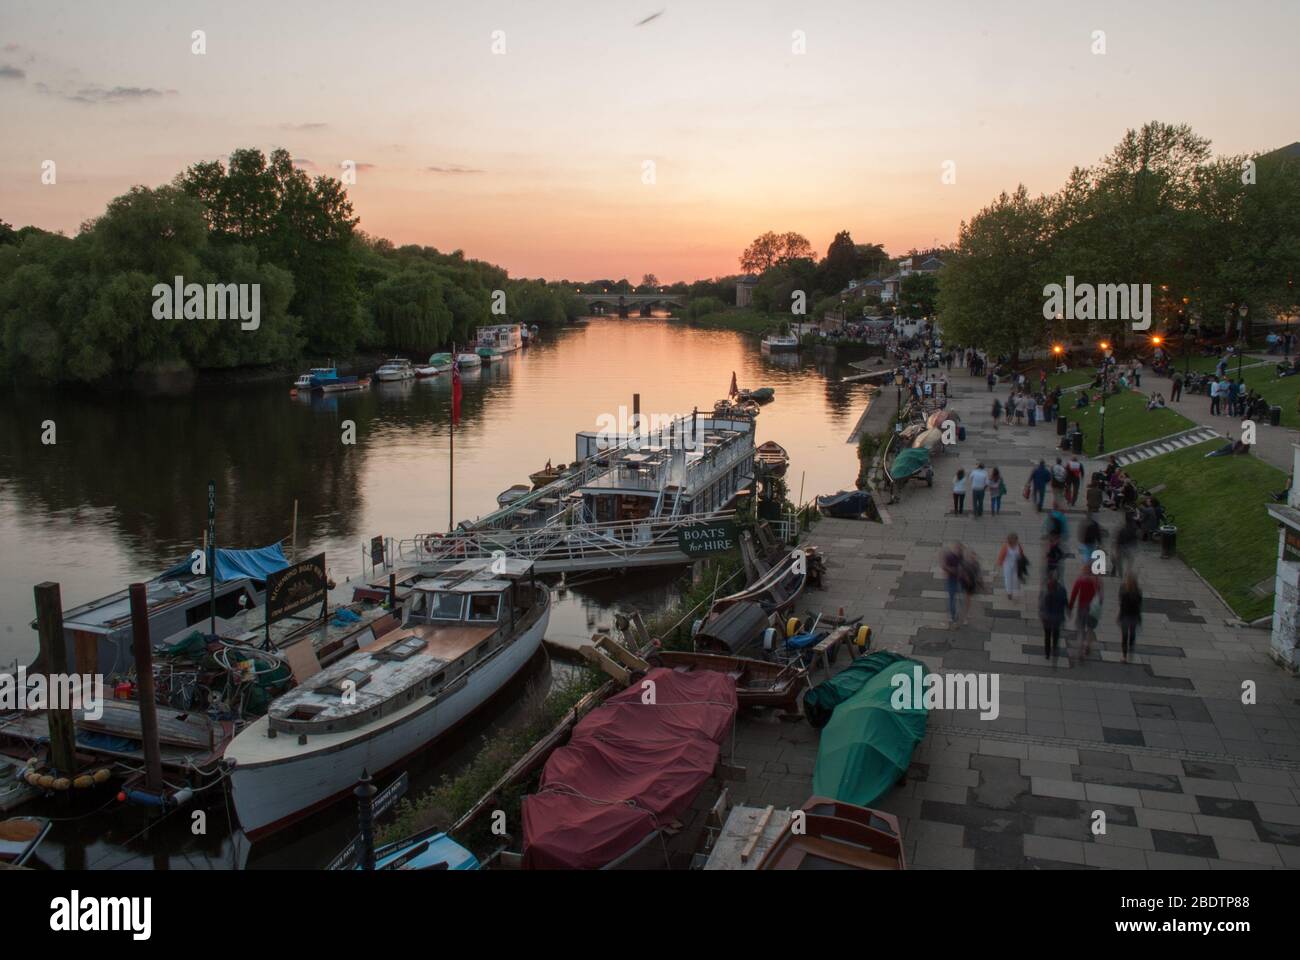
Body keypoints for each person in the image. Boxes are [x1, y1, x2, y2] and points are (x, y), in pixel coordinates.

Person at [1068, 567, 1103, 664]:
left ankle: (1080, 653)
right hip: (1092, 610)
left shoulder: (1080, 580)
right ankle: (1088, 644)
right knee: (1090, 629)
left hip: (1082, 609)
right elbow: (1100, 596)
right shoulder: (1096, 581)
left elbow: (1074, 594)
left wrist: (1070, 608)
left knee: (1081, 632)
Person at [1039, 568, 1069, 662]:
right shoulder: (1062, 590)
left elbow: (1042, 604)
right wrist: (1068, 610)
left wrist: (1041, 613)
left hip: (1047, 618)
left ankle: (1047, 653)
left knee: (1047, 636)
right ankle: (1054, 649)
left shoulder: (1045, 590)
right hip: (1057, 618)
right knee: (1055, 635)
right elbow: (1065, 602)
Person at [1117, 573, 1143, 663]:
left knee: (1124, 637)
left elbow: (1121, 605)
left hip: (1125, 617)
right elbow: (1139, 606)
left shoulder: (1124, 591)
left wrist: (1119, 616)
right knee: (1132, 634)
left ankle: (1124, 656)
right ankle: (1131, 646)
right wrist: (1139, 618)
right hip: (1134, 616)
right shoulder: (1138, 592)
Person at [940, 542, 964, 625]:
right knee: (952, 599)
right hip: (951, 580)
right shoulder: (950, 557)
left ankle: (961, 614)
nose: (959, 550)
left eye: (960, 549)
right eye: (958, 549)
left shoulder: (961, 556)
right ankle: (953, 616)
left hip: (959, 580)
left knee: (962, 597)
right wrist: (954, 570)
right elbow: (944, 567)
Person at [998, 533, 1024, 600]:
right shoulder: (1005, 547)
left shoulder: (1018, 546)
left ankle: (1013, 590)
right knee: (1008, 579)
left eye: (1016, 540)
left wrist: (1022, 561)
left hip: (1016, 565)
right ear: (1010, 541)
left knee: (1015, 579)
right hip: (1007, 565)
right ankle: (1009, 592)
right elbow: (1001, 556)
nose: (1016, 542)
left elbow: (1021, 554)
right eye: (1014, 540)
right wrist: (1000, 563)